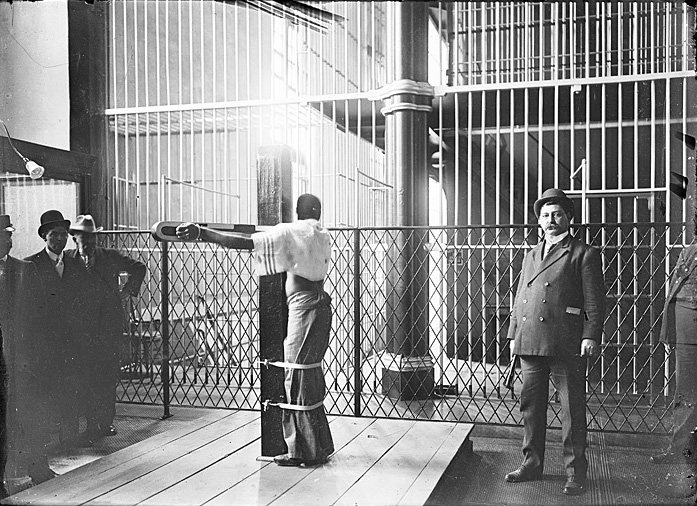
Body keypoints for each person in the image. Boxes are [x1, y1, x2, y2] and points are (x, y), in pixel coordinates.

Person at [175, 193, 334, 466]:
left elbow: (246, 242)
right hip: (319, 304)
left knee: (295, 374)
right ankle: (318, 445)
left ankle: (302, 451)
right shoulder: (321, 232)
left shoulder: (291, 230)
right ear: (318, 211)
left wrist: (202, 233)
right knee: (309, 373)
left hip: (303, 307)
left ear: (296, 211)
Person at [505, 188, 606, 496]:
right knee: (531, 407)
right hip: (530, 342)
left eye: (557, 214)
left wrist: (590, 335)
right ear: (539, 221)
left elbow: (595, 301)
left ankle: (576, 472)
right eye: (546, 215)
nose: (551, 220)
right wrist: (513, 335)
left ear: (568, 218)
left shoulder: (582, 253)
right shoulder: (531, 254)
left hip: (567, 343)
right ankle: (532, 464)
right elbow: (520, 298)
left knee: (572, 410)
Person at [65, 215, 146, 440]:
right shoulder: (68, 259)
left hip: (107, 327)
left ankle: (104, 423)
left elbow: (138, 267)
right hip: (81, 330)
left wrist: (127, 292)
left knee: (107, 375)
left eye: (92, 237)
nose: (89, 241)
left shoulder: (109, 257)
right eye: (84, 237)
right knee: (84, 375)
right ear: (74, 238)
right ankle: (89, 424)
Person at [24, 210, 93, 449]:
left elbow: (84, 300)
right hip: (45, 341)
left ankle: (70, 435)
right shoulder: (31, 264)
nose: (60, 239)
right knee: (45, 388)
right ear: (44, 237)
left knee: (72, 386)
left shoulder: (75, 263)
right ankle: (42, 437)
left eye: (64, 235)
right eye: (54, 235)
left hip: (72, 340)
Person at [0, 215, 53, 489]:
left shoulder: (25, 269)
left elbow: (40, 315)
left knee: (30, 412)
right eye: (3, 235)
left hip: (21, 360)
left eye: (9, 235)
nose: (8, 240)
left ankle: (38, 468)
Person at [653, 238, 697, 493]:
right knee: (685, 392)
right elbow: (677, 291)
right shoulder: (689, 248)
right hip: (686, 326)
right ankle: (680, 449)